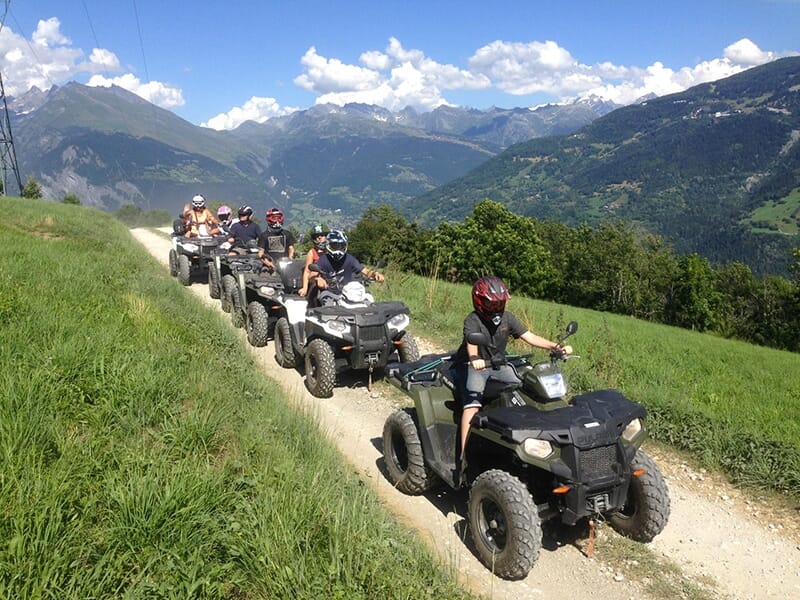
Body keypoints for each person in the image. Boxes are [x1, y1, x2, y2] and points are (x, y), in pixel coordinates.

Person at [455, 275, 572, 470]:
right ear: (479, 302)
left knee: (525, 388)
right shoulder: (473, 320)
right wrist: (476, 360)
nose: (496, 308)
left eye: (500, 303)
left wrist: (556, 346)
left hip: (499, 364)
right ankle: (463, 456)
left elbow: (530, 336)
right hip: (477, 366)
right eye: (492, 304)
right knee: (472, 405)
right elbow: (471, 345)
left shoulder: (507, 318)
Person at [257, 207, 295, 272]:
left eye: (279, 218)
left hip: (285, 264)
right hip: (269, 265)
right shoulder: (264, 235)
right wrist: (269, 264)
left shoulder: (287, 234)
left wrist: (290, 259)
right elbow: (260, 253)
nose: (277, 221)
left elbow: (291, 248)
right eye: (274, 218)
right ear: (269, 219)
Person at [298, 224, 328, 297]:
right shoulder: (312, 252)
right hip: (316, 279)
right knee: (315, 276)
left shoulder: (330, 251)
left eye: (322, 235)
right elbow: (307, 271)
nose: (319, 237)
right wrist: (305, 288)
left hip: (330, 278)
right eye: (317, 236)